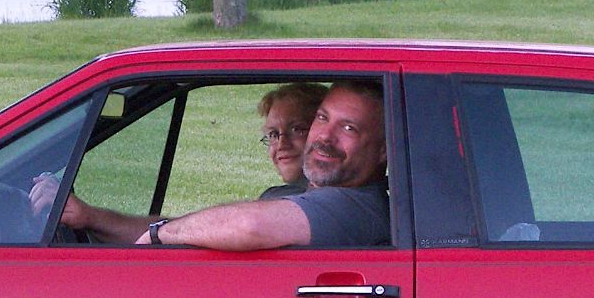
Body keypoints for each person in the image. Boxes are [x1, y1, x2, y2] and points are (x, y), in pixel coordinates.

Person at [51, 79, 326, 244]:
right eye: (272, 135)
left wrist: (161, 234)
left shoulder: (321, 204)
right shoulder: (286, 196)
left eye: (297, 129)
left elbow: (226, 232)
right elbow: (199, 231)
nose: (281, 144)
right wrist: (90, 218)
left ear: (324, 132)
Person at [142, 79, 388, 250]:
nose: (325, 136)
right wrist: (108, 223)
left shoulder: (355, 206)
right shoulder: (291, 196)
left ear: (384, 151)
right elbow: (207, 225)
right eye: (322, 118)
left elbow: (248, 225)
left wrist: (159, 235)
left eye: (349, 128)